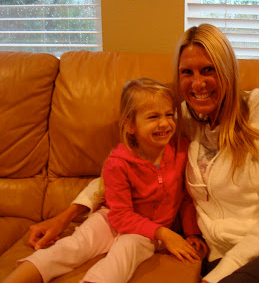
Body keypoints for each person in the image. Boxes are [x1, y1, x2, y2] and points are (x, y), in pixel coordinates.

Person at [22, 24, 259, 282]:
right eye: (187, 73)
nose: (197, 83)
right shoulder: (181, 119)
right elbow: (128, 166)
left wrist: (225, 271)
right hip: (222, 255)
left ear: (228, 71)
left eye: (208, 70)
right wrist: (64, 217)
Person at [4, 78, 207, 283]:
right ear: (130, 125)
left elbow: (187, 198)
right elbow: (120, 215)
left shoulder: (181, 151)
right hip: (113, 219)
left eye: (169, 114)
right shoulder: (117, 162)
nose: (164, 123)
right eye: (153, 116)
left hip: (147, 233)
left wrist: (192, 233)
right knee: (73, 246)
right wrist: (164, 233)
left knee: (124, 253)